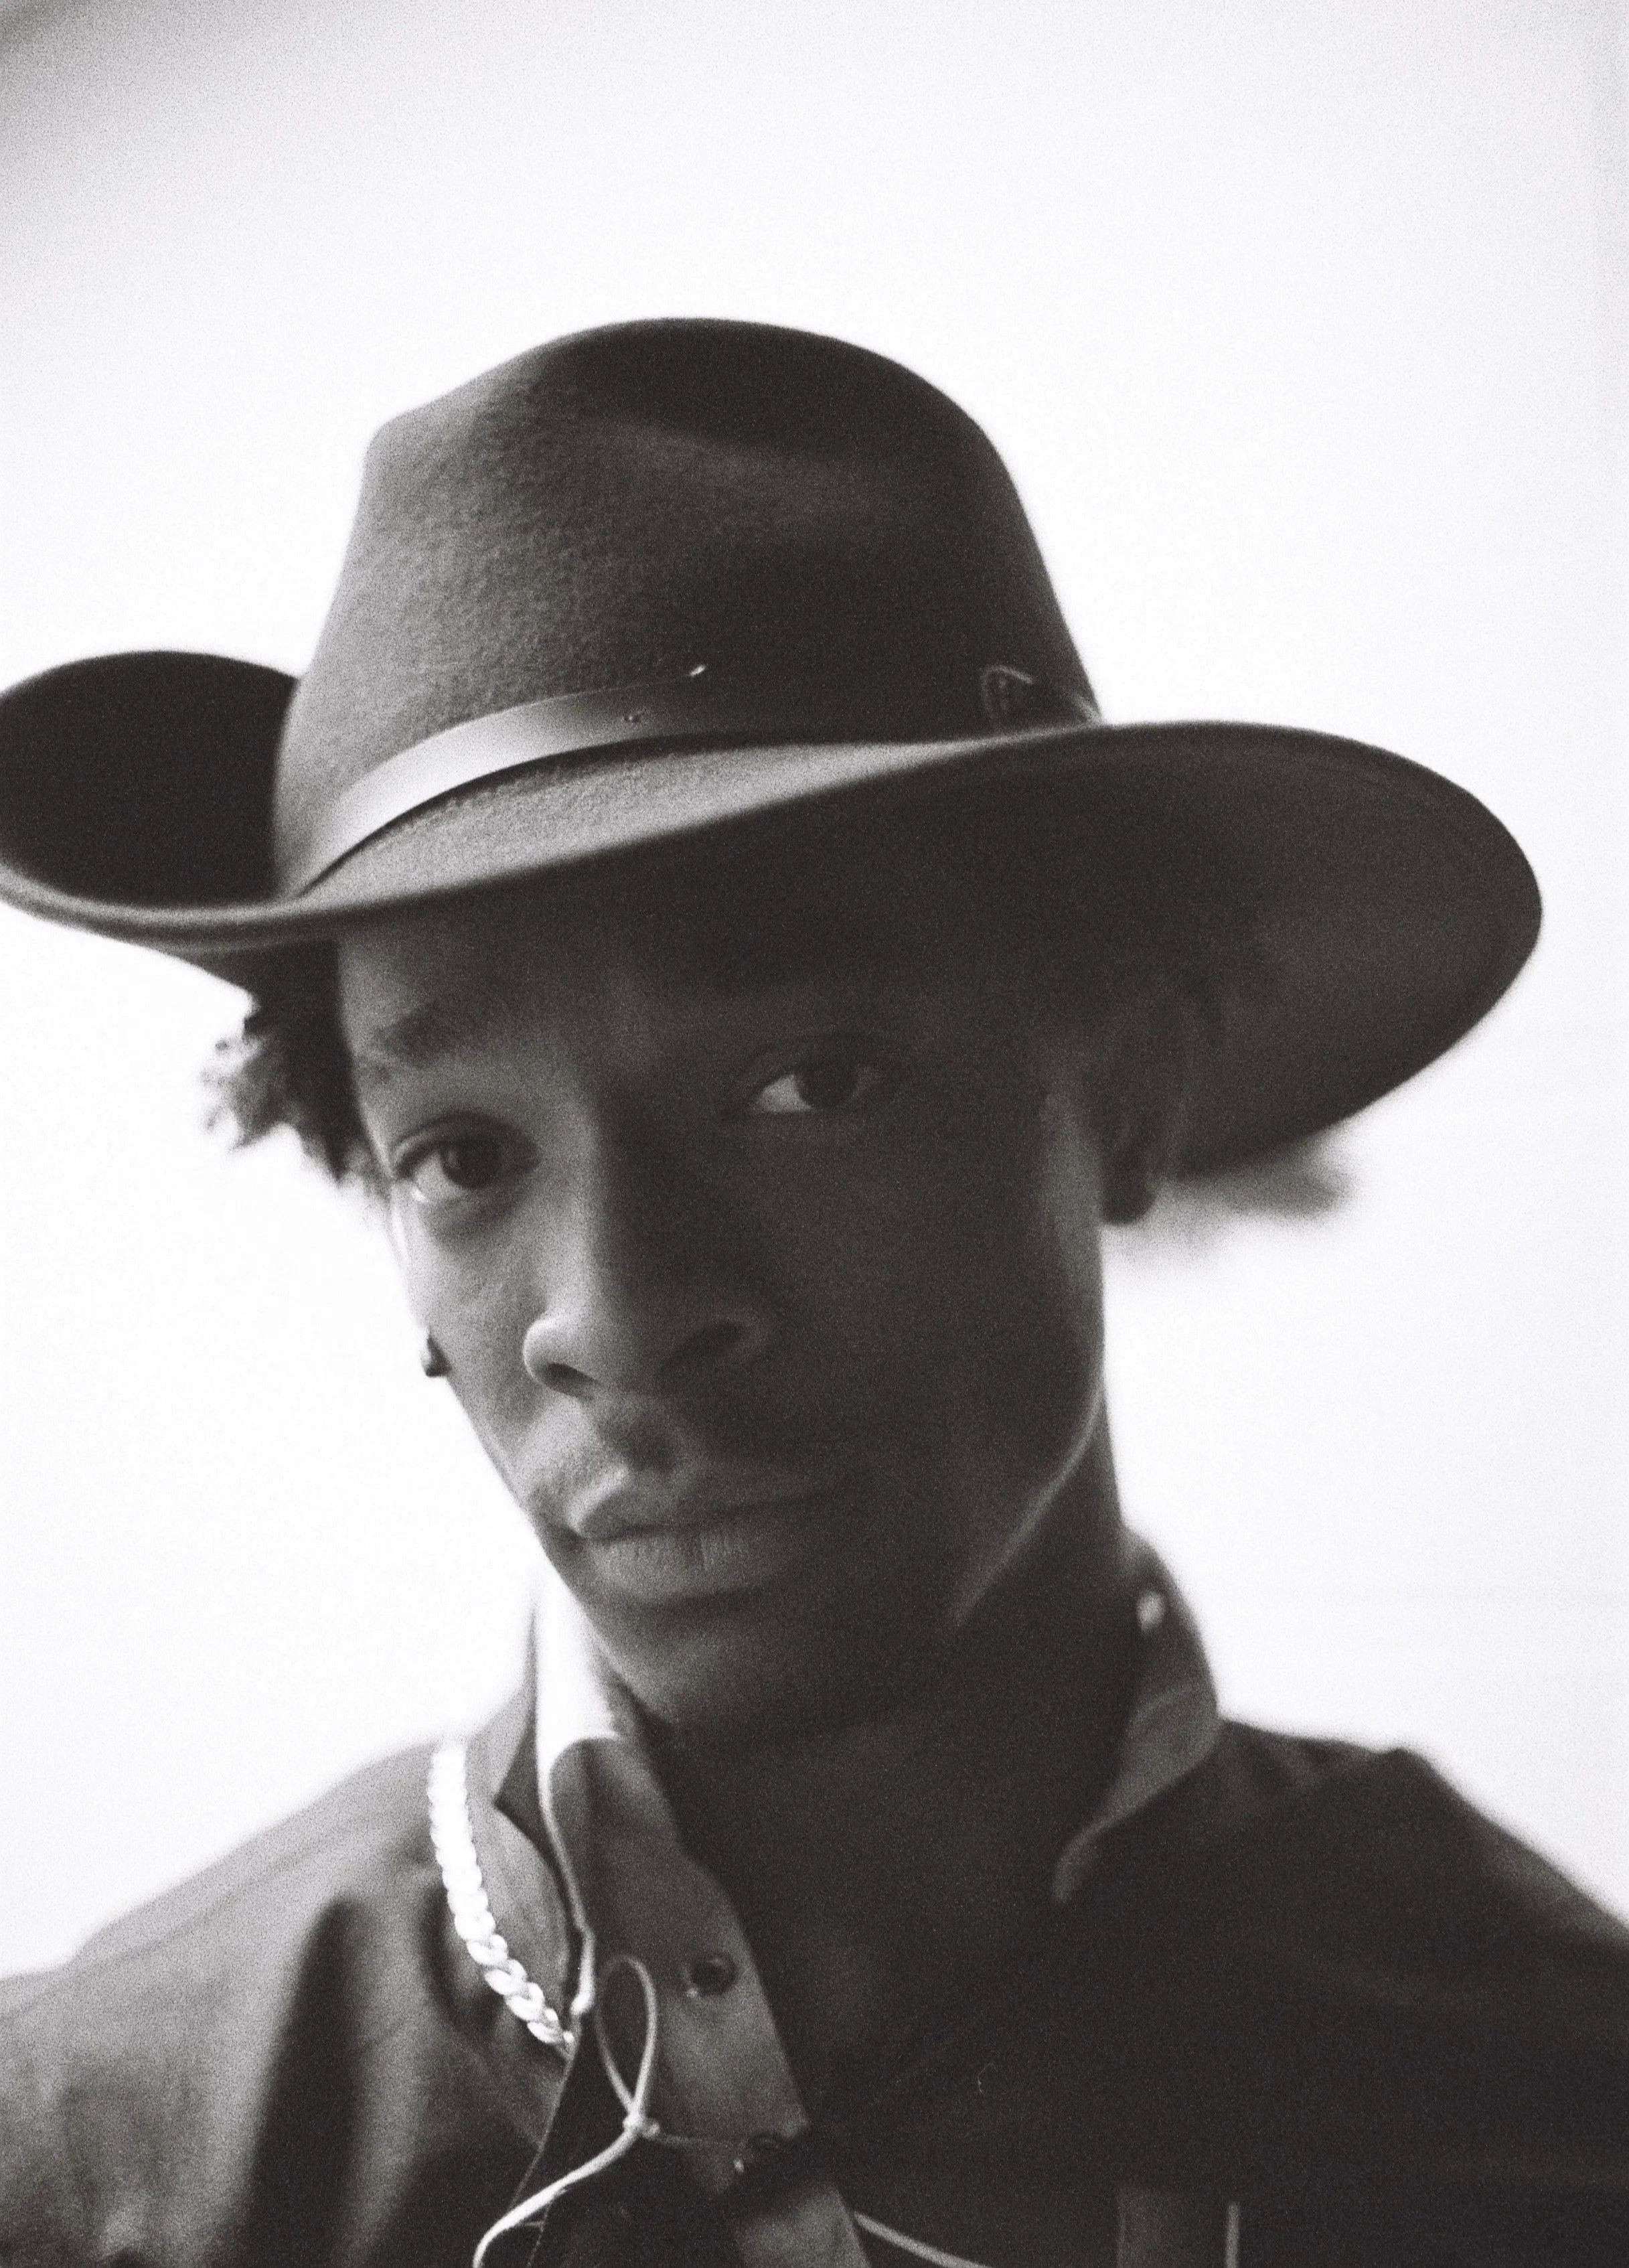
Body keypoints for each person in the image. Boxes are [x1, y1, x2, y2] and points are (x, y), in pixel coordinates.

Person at [0, 319, 1623, 2268]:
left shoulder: (1546, 2088)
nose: (613, 1312)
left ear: (1122, 1089)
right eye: (466, 1157)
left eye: (808, 1086)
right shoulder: (110, 2163)